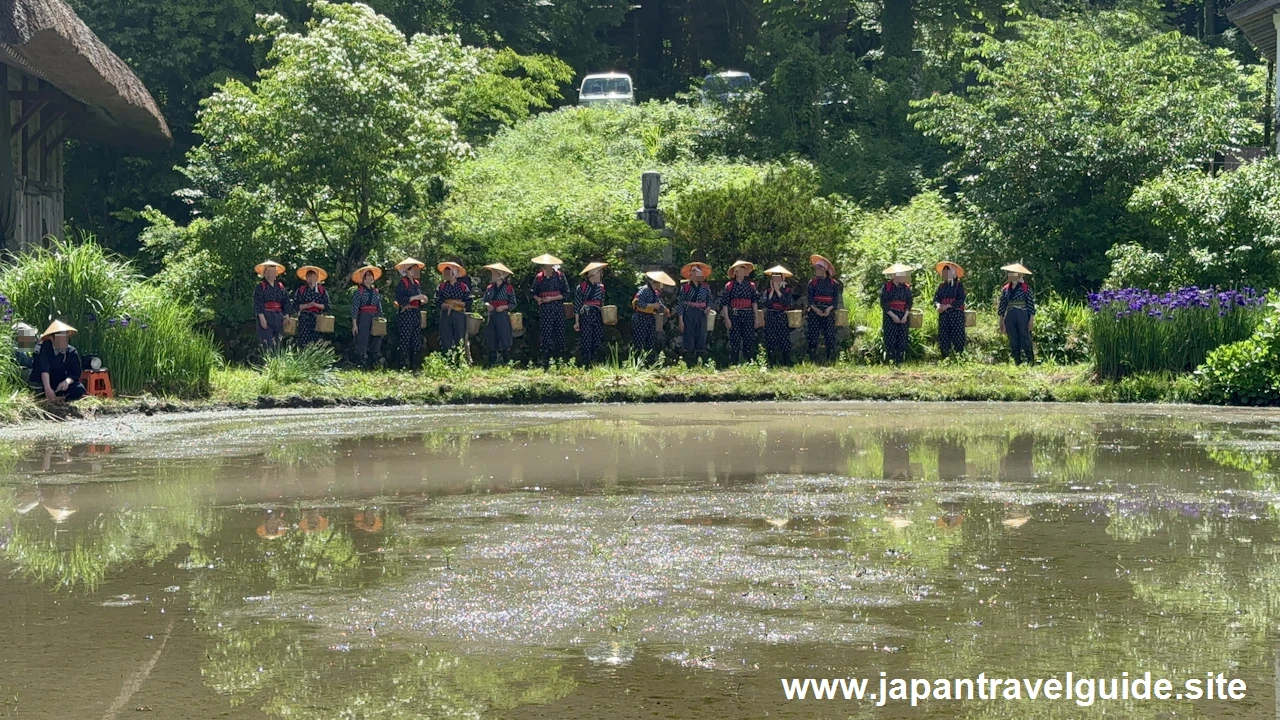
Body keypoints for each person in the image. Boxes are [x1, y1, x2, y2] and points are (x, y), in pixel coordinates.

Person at [530, 254, 570, 369]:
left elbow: (566, 293)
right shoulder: (539, 277)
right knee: (546, 333)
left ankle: (560, 359)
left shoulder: (560, 276)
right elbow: (533, 292)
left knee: (560, 331)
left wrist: (552, 298)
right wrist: (538, 299)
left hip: (557, 307)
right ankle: (545, 359)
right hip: (545, 309)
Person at [36, 320, 85, 402]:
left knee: (79, 388)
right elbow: (44, 368)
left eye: (65, 339)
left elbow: (75, 373)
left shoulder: (71, 351)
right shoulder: (44, 348)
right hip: (45, 381)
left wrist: (67, 382)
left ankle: (60, 398)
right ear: (52, 338)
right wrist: (47, 388)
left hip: (61, 383)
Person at [676, 259, 713, 367]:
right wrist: (681, 320)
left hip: (702, 313)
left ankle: (700, 358)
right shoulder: (685, 288)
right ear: (691, 275)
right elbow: (681, 303)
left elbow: (709, 300)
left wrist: (708, 307)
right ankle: (690, 360)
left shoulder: (706, 288)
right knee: (689, 333)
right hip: (689, 312)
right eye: (694, 273)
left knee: (701, 334)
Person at [806, 255, 842, 364]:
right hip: (814, 312)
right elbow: (810, 299)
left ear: (824, 270)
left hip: (828, 312)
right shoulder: (812, 283)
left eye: (819, 268)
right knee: (813, 336)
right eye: (816, 268)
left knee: (829, 335)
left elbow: (835, 300)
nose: (817, 270)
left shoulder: (834, 284)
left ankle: (830, 359)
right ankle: (813, 360)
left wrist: (829, 310)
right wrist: (816, 310)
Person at [631, 270, 674, 362]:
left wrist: (665, 310)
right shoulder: (644, 290)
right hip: (640, 318)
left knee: (650, 341)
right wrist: (652, 306)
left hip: (650, 318)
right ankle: (637, 362)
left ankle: (648, 362)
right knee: (639, 341)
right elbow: (638, 304)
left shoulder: (655, 292)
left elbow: (658, 304)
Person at [721, 260, 759, 365]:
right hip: (735, 314)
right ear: (735, 273)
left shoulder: (751, 285)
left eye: (744, 270)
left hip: (747, 314)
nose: (742, 273)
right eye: (740, 271)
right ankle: (734, 362)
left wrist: (756, 318)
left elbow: (754, 302)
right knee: (734, 339)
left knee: (748, 338)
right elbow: (725, 303)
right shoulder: (729, 285)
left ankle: (749, 362)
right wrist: (727, 318)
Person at [998, 263, 1036, 365]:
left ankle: (1030, 360)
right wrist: (1001, 321)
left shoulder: (1025, 288)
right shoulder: (1006, 289)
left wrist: (1031, 319)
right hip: (1010, 315)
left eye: (1014, 273)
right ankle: (1017, 361)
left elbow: (1030, 304)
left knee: (1025, 336)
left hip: (1022, 314)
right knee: (1013, 338)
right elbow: (1002, 305)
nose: (1011, 275)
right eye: (1010, 273)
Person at [394, 258, 429, 370]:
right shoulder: (402, 283)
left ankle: (415, 366)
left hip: (416, 313)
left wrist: (423, 300)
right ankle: (403, 365)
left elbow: (419, 300)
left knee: (416, 339)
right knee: (405, 339)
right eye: (414, 269)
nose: (417, 271)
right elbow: (400, 300)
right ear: (408, 271)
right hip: (406, 314)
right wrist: (415, 297)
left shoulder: (417, 283)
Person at [481, 262, 517, 366]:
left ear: (500, 275)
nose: (492, 276)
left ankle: (506, 361)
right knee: (491, 335)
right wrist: (487, 305)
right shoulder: (489, 288)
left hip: (502, 315)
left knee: (504, 335)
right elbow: (485, 300)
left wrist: (503, 307)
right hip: (492, 314)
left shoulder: (508, 288)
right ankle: (492, 360)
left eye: (494, 274)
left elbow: (513, 304)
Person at [759, 265, 794, 366]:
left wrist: (778, 291)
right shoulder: (768, 291)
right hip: (770, 317)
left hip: (781, 316)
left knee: (784, 340)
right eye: (774, 277)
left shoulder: (787, 290)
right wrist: (773, 291)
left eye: (778, 277)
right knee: (770, 340)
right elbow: (766, 303)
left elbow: (786, 303)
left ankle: (786, 363)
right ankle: (772, 363)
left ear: (783, 278)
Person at [350, 265, 384, 369]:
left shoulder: (375, 292)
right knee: (363, 338)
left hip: (375, 317)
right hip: (364, 317)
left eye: (371, 275)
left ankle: (374, 360)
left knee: (377, 337)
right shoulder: (358, 292)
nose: (370, 277)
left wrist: (381, 319)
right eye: (368, 275)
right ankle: (361, 360)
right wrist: (354, 325)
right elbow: (354, 308)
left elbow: (379, 307)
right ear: (363, 278)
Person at [575, 261, 608, 367]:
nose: (601, 275)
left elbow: (602, 303)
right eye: (599, 272)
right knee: (586, 339)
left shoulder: (601, 288)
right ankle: (586, 363)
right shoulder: (581, 287)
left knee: (597, 337)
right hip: (586, 314)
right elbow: (577, 305)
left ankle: (595, 361)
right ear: (592, 274)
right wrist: (576, 322)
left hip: (597, 314)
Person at [880, 263, 915, 365]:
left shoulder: (906, 288)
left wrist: (905, 316)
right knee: (890, 338)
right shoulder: (886, 287)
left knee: (902, 338)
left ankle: (900, 361)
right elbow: (884, 303)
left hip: (903, 315)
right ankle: (891, 361)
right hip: (890, 316)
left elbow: (909, 302)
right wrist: (893, 315)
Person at [253, 260, 291, 352]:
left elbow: (286, 301)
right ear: (264, 273)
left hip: (278, 316)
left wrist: (287, 316)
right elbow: (257, 303)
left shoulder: (280, 287)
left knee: (278, 342)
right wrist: (262, 319)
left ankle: (277, 363)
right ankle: (267, 363)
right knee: (266, 342)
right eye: (269, 271)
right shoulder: (261, 287)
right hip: (266, 315)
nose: (271, 273)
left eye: (273, 271)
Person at [435, 261, 471, 355]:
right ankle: (448, 359)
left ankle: (460, 359)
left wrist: (456, 303)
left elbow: (468, 302)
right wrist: (447, 306)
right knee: (445, 337)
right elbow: (437, 301)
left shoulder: (463, 287)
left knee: (459, 338)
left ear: (454, 274)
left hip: (458, 314)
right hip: (445, 314)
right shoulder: (441, 287)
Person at [933, 261, 967, 359]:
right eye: (944, 272)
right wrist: (938, 305)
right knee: (943, 336)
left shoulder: (958, 286)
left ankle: (959, 357)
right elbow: (936, 299)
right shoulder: (941, 286)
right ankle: (945, 358)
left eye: (947, 272)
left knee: (958, 336)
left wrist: (948, 305)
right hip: (944, 315)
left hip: (956, 315)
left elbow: (961, 300)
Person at [293, 265, 331, 348]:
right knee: (304, 340)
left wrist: (315, 305)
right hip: (304, 317)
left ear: (317, 278)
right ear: (306, 278)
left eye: (313, 276)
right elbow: (295, 306)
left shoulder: (322, 291)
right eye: (309, 276)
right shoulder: (301, 290)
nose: (311, 278)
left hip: (317, 318)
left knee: (318, 341)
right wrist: (307, 305)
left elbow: (327, 306)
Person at [12, 322, 40, 390]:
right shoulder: (16, 350)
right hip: (20, 376)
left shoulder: (20, 347)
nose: (32, 338)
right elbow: (29, 363)